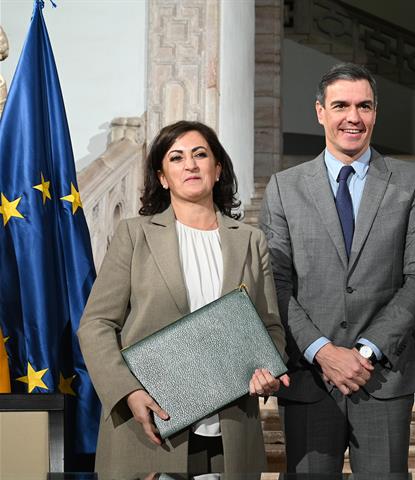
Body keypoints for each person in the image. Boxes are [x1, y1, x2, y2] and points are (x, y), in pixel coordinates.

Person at [78, 120, 288, 475]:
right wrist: (128, 392)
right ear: (162, 176)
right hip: (150, 425)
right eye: (176, 158)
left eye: (200, 154)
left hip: (231, 431)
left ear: (217, 169)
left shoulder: (251, 241)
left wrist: (268, 368)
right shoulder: (134, 235)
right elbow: (96, 324)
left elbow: (271, 328)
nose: (190, 164)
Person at [259, 63, 415, 473]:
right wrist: (323, 352)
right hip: (309, 377)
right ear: (320, 111)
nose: (352, 117)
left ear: (375, 113)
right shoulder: (284, 188)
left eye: (364, 106)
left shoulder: (409, 182)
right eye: (341, 105)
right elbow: (275, 283)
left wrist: (364, 351)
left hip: (383, 375)